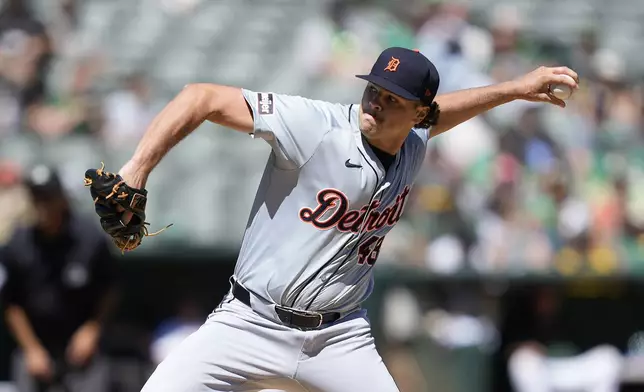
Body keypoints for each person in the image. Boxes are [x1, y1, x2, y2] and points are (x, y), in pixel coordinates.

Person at [114, 47, 578, 391]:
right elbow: (201, 98)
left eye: (392, 99)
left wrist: (516, 88)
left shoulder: (415, 143)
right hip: (248, 323)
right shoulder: (317, 126)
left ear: (418, 112)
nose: (375, 102)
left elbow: (443, 114)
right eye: (373, 89)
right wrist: (136, 170)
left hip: (339, 337)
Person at [0, 164, 118, 392]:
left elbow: (110, 288)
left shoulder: (88, 238)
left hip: (82, 347)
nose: (42, 205)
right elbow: (10, 303)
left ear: (61, 198)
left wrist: (92, 329)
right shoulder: (19, 243)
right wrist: (31, 348)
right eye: (36, 197)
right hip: (37, 346)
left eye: (47, 197)